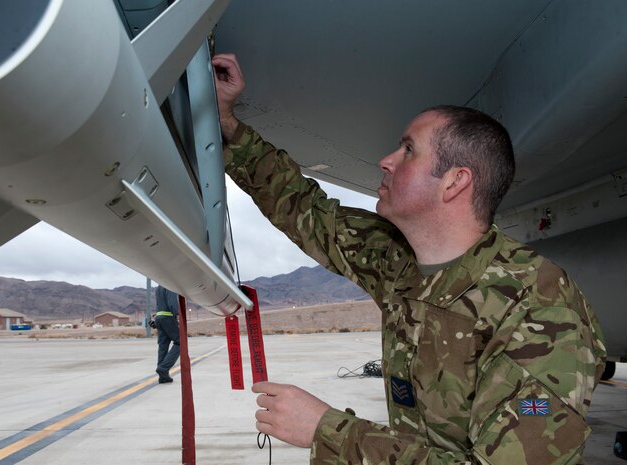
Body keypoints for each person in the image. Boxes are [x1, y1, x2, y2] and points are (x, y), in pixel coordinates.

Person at [211, 54, 607, 464]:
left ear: (455, 182)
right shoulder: (398, 262)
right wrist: (226, 121)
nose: (386, 160)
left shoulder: (540, 309)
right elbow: (306, 211)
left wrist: (326, 430)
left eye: (408, 150)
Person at [154, 285, 180, 384]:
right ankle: (163, 368)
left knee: (163, 346)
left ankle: (163, 377)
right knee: (180, 342)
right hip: (168, 317)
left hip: (159, 317)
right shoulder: (169, 285)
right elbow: (172, 303)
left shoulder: (159, 288)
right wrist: (178, 314)